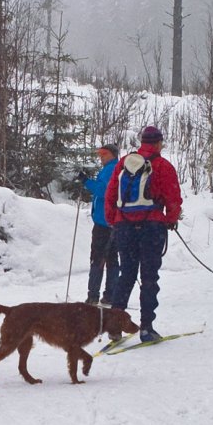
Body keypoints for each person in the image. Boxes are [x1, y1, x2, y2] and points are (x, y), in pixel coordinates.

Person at [104, 126, 183, 343]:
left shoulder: (124, 163)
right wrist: (170, 219)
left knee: (126, 274)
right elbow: (173, 197)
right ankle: (147, 328)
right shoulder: (163, 166)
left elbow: (111, 193)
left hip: (124, 226)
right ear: (158, 143)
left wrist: (114, 220)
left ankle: (114, 326)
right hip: (151, 227)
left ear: (142, 142)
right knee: (149, 278)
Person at [80, 143, 121, 304]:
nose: (101, 157)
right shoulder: (114, 168)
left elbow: (103, 191)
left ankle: (93, 296)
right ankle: (110, 295)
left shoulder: (111, 169)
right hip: (113, 221)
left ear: (113, 155)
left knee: (97, 258)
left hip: (104, 222)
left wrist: (86, 181)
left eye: (104, 153)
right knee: (112, 259)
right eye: (99, 153)